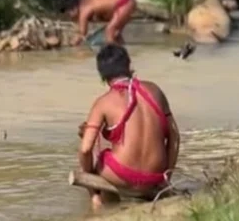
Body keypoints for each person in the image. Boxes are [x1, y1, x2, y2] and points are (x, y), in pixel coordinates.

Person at [77, 44, 180, 211]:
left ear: (102, 75)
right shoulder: (155, 90)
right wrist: (166, 177)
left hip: (121, 176)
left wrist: (92, 193)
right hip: (155, 177)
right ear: (129, 66)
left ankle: (99, 201)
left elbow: (85, 149)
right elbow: (174, 138)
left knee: (97, 156)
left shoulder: (103, 102)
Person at [59, 0, 138, 46]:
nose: (70, 16)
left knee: (109, 31)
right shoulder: (87, 0)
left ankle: (113, 56)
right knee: (116, 35)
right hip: (127, 0)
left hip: (124, 3)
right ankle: (123, 51)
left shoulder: (84, 9)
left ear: (73, 8)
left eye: (68, 13)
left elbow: (82, 33)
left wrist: (73, 44)